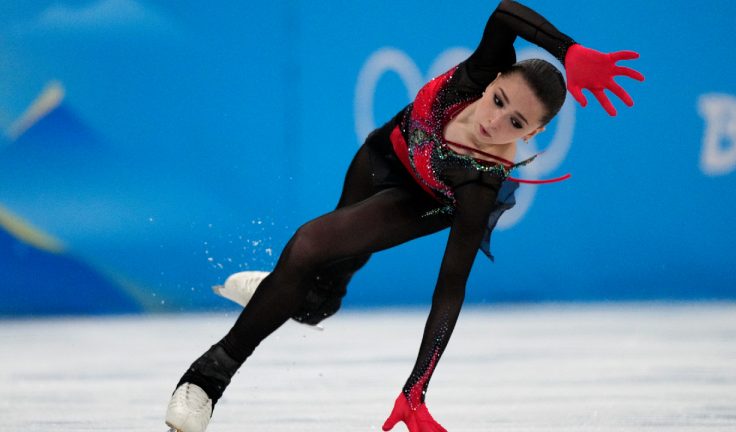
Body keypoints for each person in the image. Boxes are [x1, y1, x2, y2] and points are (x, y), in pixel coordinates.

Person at [164, 1, 643, 431]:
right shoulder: (479, 71)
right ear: (495, 79)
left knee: (308, 248)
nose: (495, 121)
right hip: (382, 155)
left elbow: (450, 287)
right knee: (321, 278)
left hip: (421, 201)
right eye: (499, 101)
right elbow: (504, 12)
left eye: (516, 123)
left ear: (535, 131)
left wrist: (417, 387)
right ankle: (288, 294)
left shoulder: (479, 184)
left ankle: (207, 379)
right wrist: (569, 48)